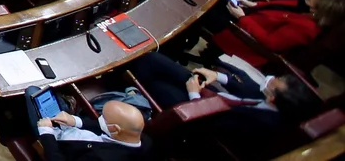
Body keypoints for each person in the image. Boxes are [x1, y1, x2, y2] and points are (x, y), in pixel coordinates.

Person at [127, 52, 317, 140]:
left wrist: (194, 95)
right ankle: (132, 74)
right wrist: (218, 76)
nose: (271, 79)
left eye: (275, 82)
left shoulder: (261, 125)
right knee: (152, 59)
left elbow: (210, 127)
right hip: (210, 96)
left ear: (273, 99)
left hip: (193, 114)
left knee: (155, 83)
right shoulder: (274, 102)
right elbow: (250, 90)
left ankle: (128, 86)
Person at [218, 0, 344, 66]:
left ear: (315, 10)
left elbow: (270, 42)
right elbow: (275, 8)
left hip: (243, 36)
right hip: (249, 18)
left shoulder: (307, 29)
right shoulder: (303, 8)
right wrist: (254, 4)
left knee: (212, 11)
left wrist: (242, 18)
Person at [29, 94, 146, 161]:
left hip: (54, 142)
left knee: (32, 93)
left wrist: (46, 133)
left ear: (115, 129)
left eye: (103, 117)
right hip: (70, 128)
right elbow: (102, 126)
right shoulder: (137, 136)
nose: (99, 118)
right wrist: (76, 121)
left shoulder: (100, 158)